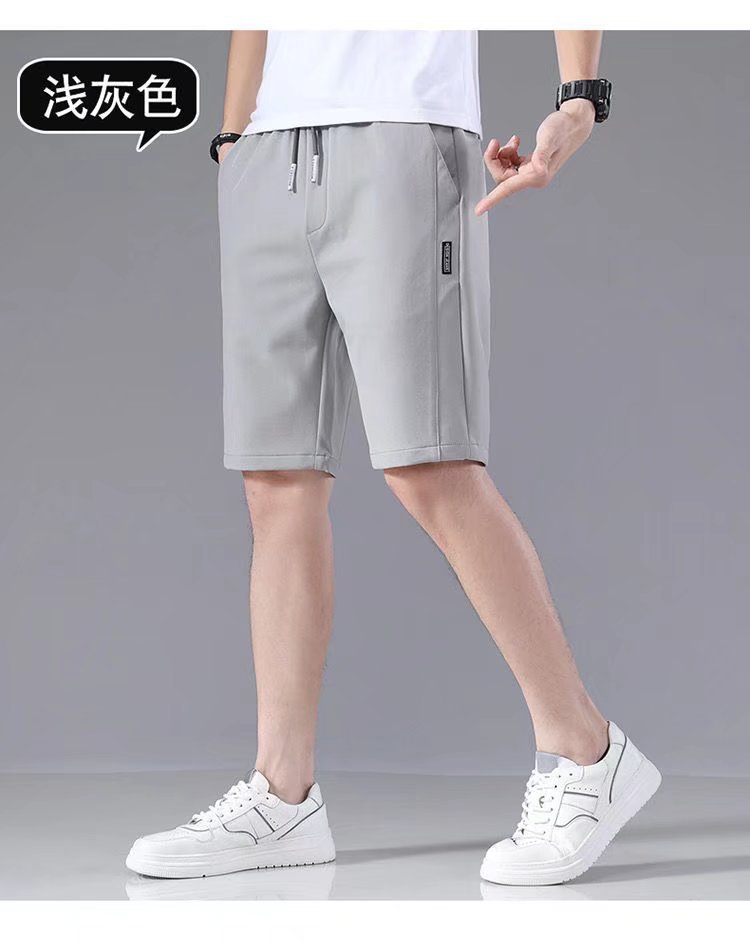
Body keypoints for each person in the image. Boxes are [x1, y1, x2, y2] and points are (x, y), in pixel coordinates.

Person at [126, 30, 660, 887]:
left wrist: (580, 96)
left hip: (404, 133)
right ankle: (283, 796)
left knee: (430, 464)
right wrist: (233, 138)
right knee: (275, 479)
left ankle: (586, 752)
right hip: (267, 153)